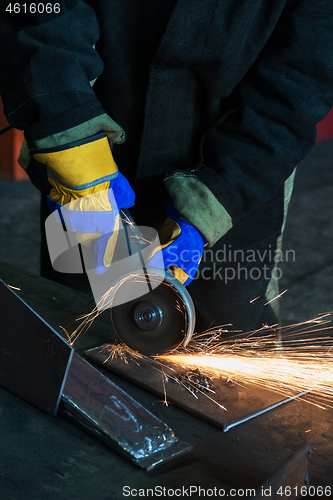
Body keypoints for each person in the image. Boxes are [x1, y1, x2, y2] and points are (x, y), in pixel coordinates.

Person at [1, 0, 333, 335]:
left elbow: (303, 74)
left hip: (239, 164)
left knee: (231, 337)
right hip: (91, 132)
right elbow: (36, 10)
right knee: (73, 324)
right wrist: (68, 131)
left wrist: (218, 197)